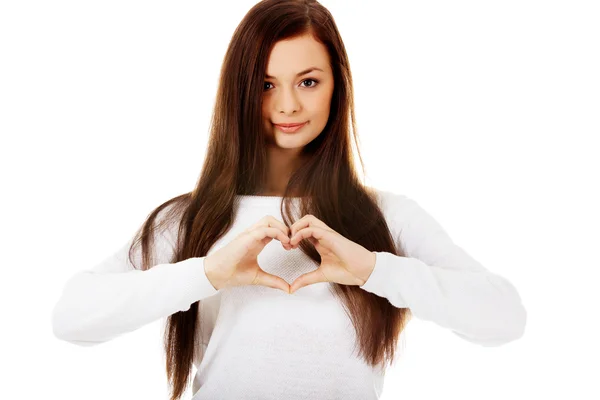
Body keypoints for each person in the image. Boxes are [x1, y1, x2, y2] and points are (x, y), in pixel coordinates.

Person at [51, 1, 527, 399]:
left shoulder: (388, 217)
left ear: (337, 86)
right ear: (238, 93)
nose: (287, 106)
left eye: (308, 81)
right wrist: (208, 274)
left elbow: (504, 319)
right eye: (265, 84)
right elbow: (72, 318)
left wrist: (374, 270)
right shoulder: (191, 219)